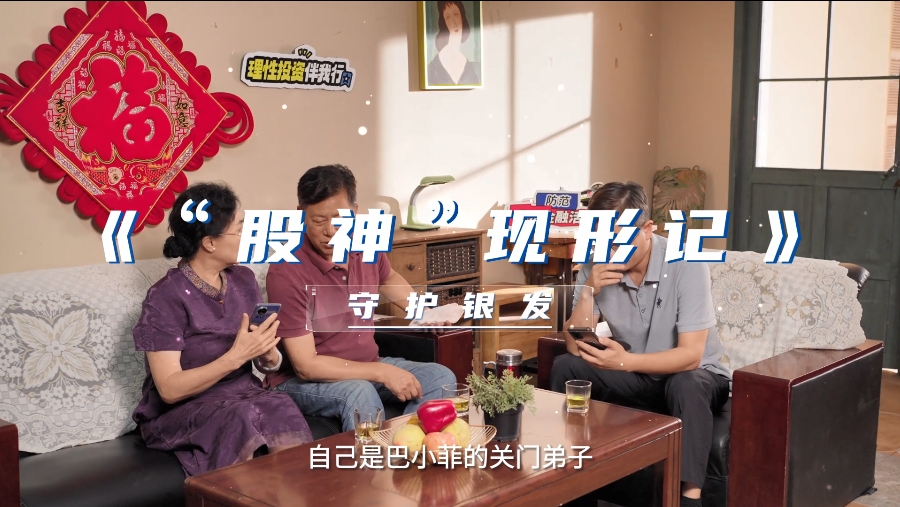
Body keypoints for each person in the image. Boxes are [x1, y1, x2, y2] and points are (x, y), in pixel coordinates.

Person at [550, 181, 730, 507]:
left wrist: (625, 362)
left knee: (686, 384)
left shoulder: (686, 262)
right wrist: (589, 292)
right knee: (566, 367)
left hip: (696, 378)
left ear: (647, 229)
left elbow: (691, 356)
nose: (610, 250)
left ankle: (689, 498)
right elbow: (575, 347)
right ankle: (574, 490)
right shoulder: (594, 264)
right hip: (638, 376)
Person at [132, 182, 313, 477]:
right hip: (183, 408)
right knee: (242, 416)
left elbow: (264, 361)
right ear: (210, 242)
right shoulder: (164, 297)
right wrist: (235, 357)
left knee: (280, 404)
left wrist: (267, 355)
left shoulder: (243, 279)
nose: (248, 235)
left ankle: (296, 494)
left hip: (243, 394)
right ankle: (237, 496)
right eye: (240, 229)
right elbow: (169, 389)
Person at [262, 164, 457, 432]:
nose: (331, 230)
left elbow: (389, 278)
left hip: (365, 364)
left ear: (354, 212)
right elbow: (306, 366)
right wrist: (382, 372)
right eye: (318, 221)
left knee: (439, 377)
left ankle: (406, 445)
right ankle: (379, 459)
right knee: (359, 391)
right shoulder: (286, 271)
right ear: (301, 215)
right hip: (303, 380)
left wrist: (423, 312)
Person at [427, 0, 480, 86]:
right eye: (448, 17)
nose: (454, 23)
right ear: (444, 22)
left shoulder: (467, 65)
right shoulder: (435, 66)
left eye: (456, 14)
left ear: (462, 16)